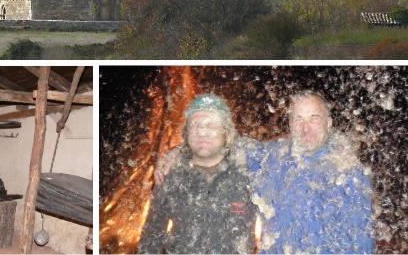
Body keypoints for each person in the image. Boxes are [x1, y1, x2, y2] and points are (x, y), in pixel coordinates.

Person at [155, 90, 373, 254]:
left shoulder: (347, 173)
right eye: (298, 119)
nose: (305, 128)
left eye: (314, 118)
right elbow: (227, 145)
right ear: (289, 124)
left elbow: (361, 242)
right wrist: (178, 151)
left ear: (329, 123)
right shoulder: (273, 156)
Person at [138, 94, 255, 254]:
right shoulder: (170, 175)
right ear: (186, 133)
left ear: (226, 133)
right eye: (196, 125)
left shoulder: (250, 171)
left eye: (211, 126)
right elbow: (152, 236)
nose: (202, 132)